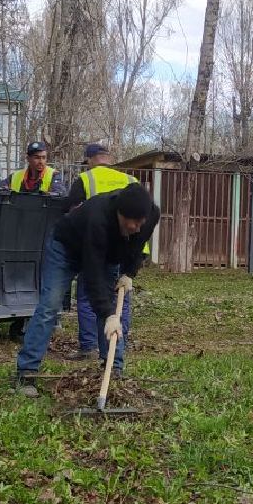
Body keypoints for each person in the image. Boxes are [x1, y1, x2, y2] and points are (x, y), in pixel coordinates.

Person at [15, 181, 160, 396]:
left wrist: (129, 272)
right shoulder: (98, 218)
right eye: (133, 223)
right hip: (66, 249)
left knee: (112, 308)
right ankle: (26, 371)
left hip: (108, 254)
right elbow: (92, 275)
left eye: (141, 223)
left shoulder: (149, 215)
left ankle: (114, 368)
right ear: (121, 214)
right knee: (50, 306)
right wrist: (108, 313)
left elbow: (137, 245)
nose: (137, 228)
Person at [64, 142, 142, 360]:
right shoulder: (130, 180)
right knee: (120, 298)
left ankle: (89, 346)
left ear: (90, 160)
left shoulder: (86, 179)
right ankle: (118, 344)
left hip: (96, 249)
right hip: (126, 248)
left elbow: (71, 213)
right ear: (109, 158)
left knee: (89, 297)